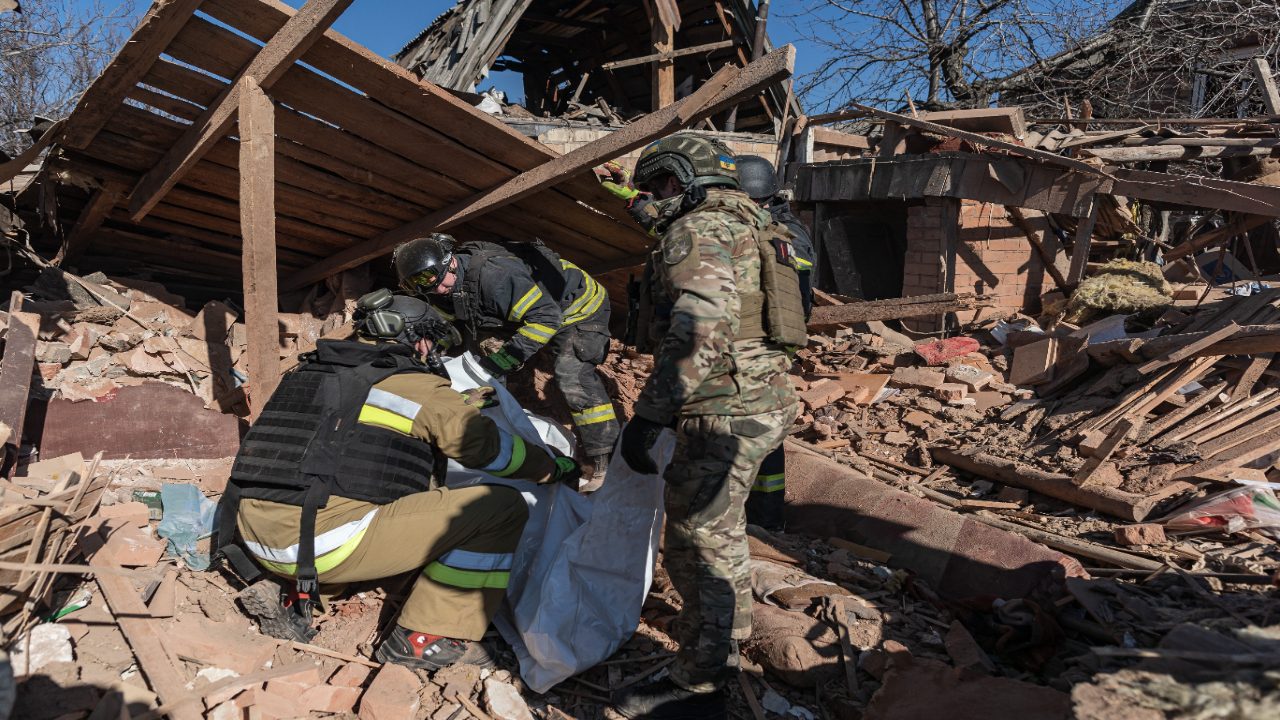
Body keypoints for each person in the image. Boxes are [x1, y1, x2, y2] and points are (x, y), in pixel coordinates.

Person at [217, 290, 581, 671]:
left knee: (374, 486)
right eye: (435, 346)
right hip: (317, 544)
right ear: (419, 340)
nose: (434, 355)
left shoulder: (306, 373)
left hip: (254, 534)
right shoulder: (415, 384)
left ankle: (292, 593)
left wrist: (455, 408)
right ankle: (429, 639)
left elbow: (359, 436)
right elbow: (485, 449)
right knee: (501, 508)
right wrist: (551, 467)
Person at [611, 134, 805, 720]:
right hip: (761, 397)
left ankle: (698, 681)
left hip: (724, 406)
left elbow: (700, 328)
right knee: (722, 533)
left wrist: (649, 414)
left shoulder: (696, 230)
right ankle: (727, 644)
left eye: (656, 187)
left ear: (679, 180)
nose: (651, 200)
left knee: (695, 544)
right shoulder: (757, 225)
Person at [393, 234, 619, 488]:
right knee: (482, 350)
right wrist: (431, 355)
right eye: (417, 285)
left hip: (578, 308)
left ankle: (606, 461)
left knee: (571, 377)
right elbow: (448, 327)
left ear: (451, 263)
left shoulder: (496, 277)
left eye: (430, 278)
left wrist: (503, 361)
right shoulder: (440, 287)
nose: (430, 288)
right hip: (531, 309)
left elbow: (547, 318)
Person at [735, 154, 817, 531]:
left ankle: (767, 524)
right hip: (751, 344)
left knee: (762, 435)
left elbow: (794, 298)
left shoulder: (785, 235)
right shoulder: (765, 226)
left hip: (766, 345)